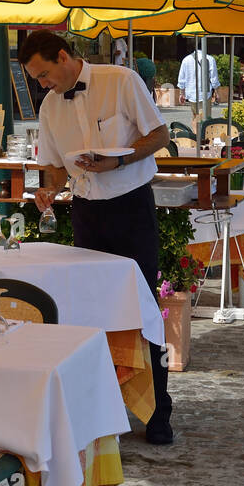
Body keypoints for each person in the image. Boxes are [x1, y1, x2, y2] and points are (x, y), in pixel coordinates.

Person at [19, 30, 174, 445]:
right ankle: (101, 409)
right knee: (91, 312)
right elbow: (52, 166)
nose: (42, 84)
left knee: (141, 308)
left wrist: (120, 158)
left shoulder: (120, 80)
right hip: (87, 213)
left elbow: (159, 136)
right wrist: (48, 188)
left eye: (45, 74)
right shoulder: (50, 107)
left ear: (65, 56)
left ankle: (159, 408)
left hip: (131, 208)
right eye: (36, 78)